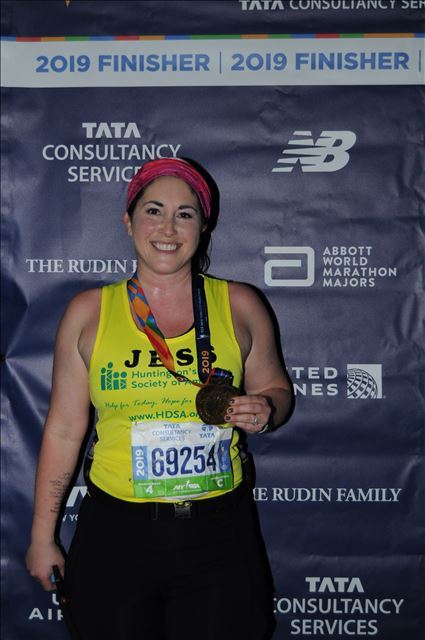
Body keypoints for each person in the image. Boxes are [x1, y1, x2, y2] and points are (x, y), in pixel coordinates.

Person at [26, 158, 293, 640]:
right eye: (153, 211)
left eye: (185, 214)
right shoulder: (88, 312)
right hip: (116, 534)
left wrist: (267, 407)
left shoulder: (240, 304)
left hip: (218, 533)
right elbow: (64, 430)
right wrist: (43, 538)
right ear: (128, 222)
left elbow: (277, 389)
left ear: (203, 227)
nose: (168, 228)